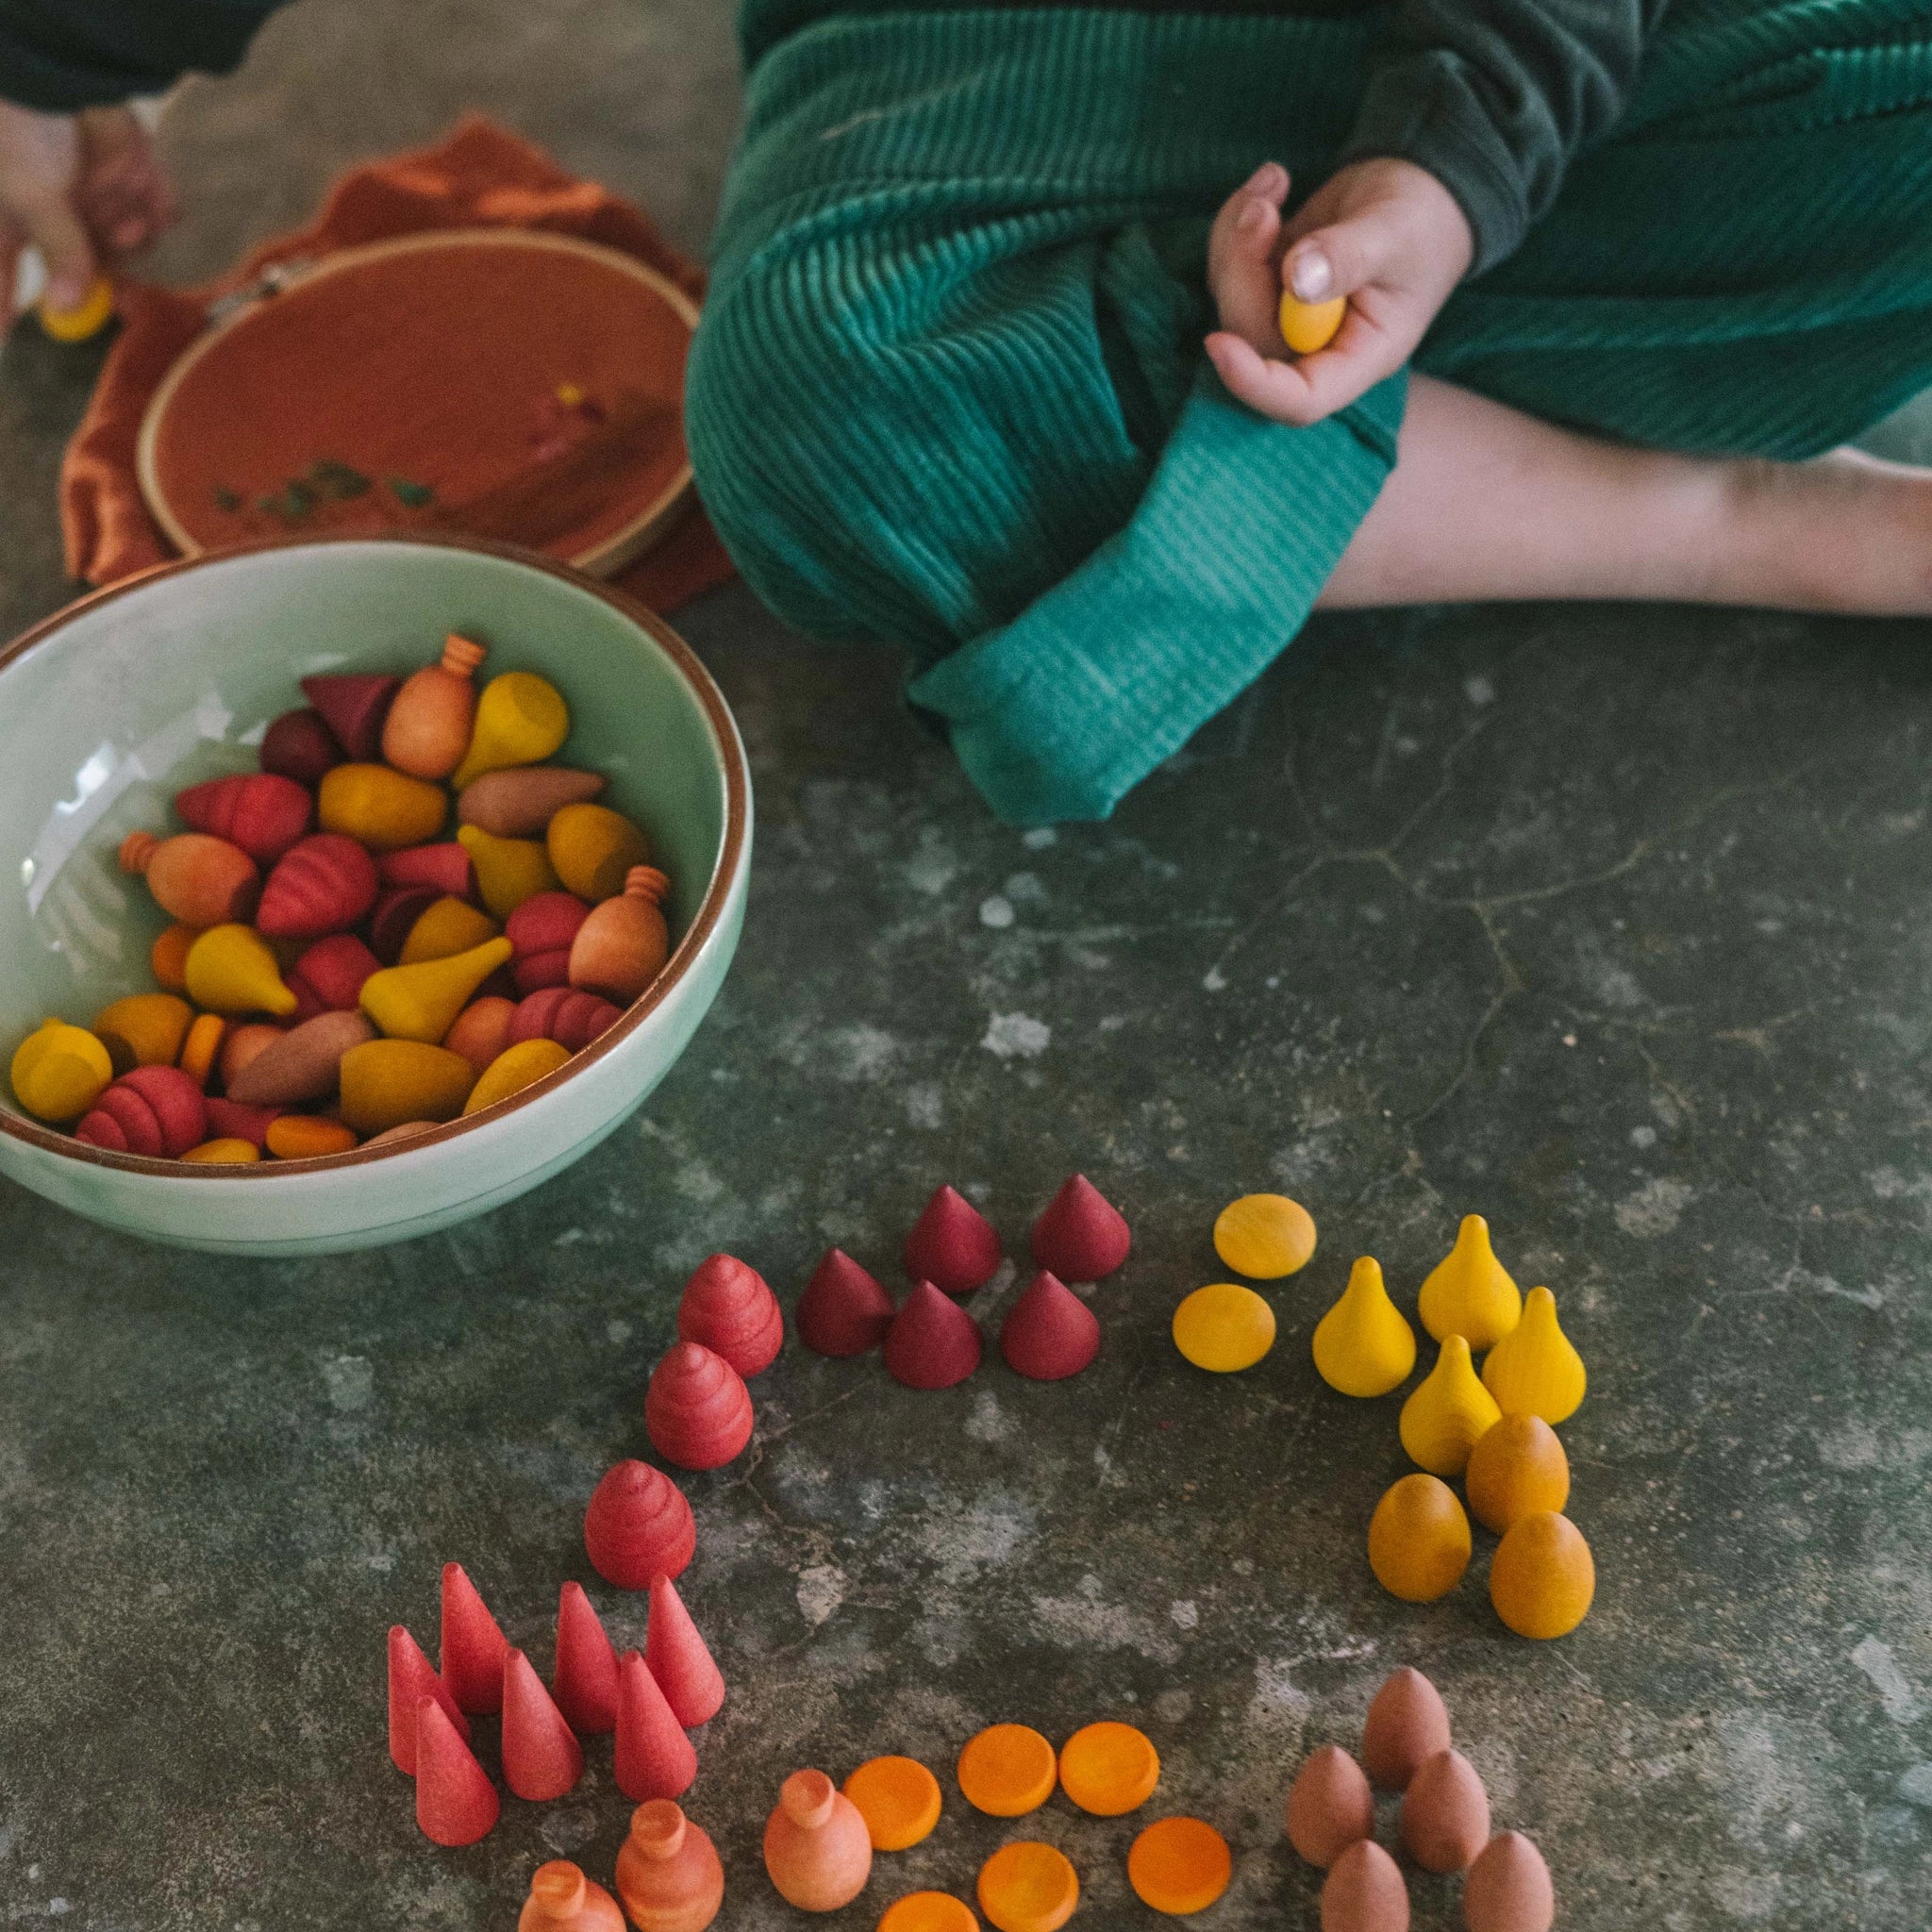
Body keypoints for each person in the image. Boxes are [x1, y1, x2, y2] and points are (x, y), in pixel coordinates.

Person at [8, 2, 1932, 824]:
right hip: (982, 44)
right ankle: (1721, 512)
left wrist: (1454, 155)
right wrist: (42, 59)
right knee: (851, 418)